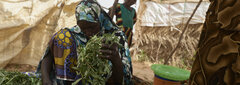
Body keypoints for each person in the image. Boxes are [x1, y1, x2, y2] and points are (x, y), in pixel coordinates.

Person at [36, 0, 133, 85]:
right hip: (73, 80)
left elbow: (124, 80)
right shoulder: (75, 33)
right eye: (83, 28)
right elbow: (49, 55)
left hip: (103, 81)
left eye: (92, 27)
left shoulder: (116, 38)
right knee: (62, 37)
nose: (88, 33)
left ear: (100, 20)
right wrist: (46, 79)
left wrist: (116, 59)